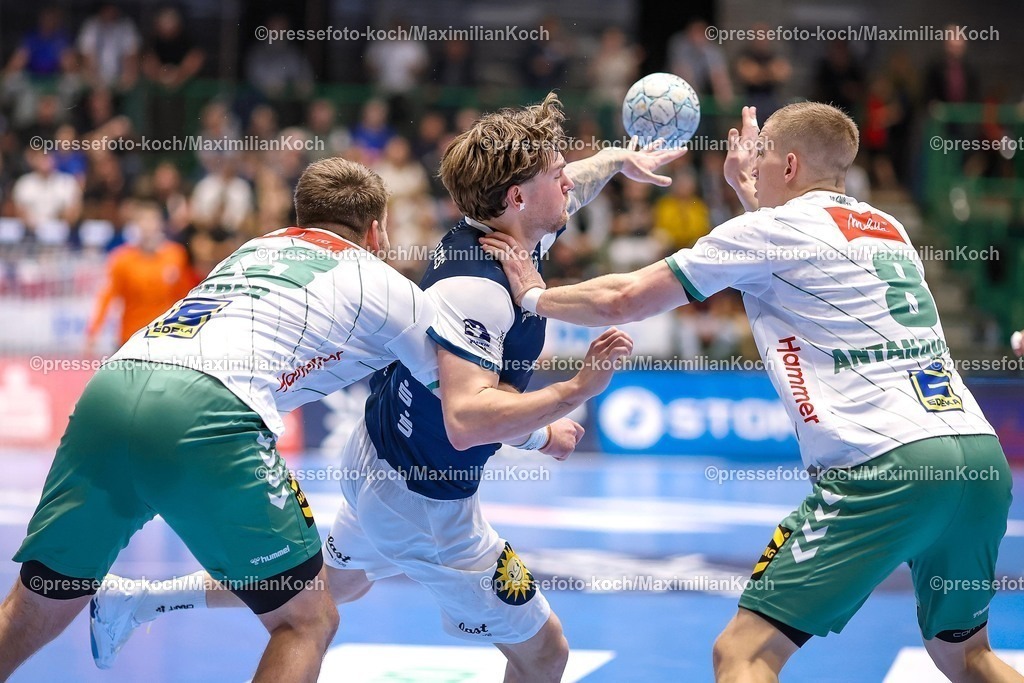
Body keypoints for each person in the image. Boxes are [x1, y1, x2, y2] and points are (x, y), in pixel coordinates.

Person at [89, 93, 681, 681]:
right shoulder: (477, 288)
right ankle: (135, 601)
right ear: (518, 197)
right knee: (545, 653)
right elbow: (468, 418)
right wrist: (572, 393)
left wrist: (613, 160)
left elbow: (567, 182)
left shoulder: (510, 231)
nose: (569, 186)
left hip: (381, 458)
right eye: (558, 176)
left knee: (334, 583)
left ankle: (135, 600)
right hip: (423, 498)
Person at [481, 103, 1021, 683]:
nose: (747, 163)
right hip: (978, 459)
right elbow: (785, 256)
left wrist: (535, 295)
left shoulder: (769, 231)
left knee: (743, 653)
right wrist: (749, 194)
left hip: (885, 464)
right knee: (966, 658)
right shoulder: (886, 229)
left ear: (788, 164)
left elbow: (625, 299)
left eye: (759, 154)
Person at [2, 157, 441, 683]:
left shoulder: (257, 247)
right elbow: (461, 398)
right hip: (208, 410)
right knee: (307, 619)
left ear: (300, 216)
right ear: (377, 229)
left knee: (35, 605)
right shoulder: (384, 282)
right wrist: (543, 428)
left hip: (113, 386)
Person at [85, 202, 194, 351]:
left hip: (164, 338)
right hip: (131, 337)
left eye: (152, 222)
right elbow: (108, 296)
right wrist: (93, 331)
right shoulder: (122, 259)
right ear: (136, 228)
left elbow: (185, 296)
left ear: (160, 226)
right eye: (143, 223)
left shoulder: (175, 255)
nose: (148, 228)